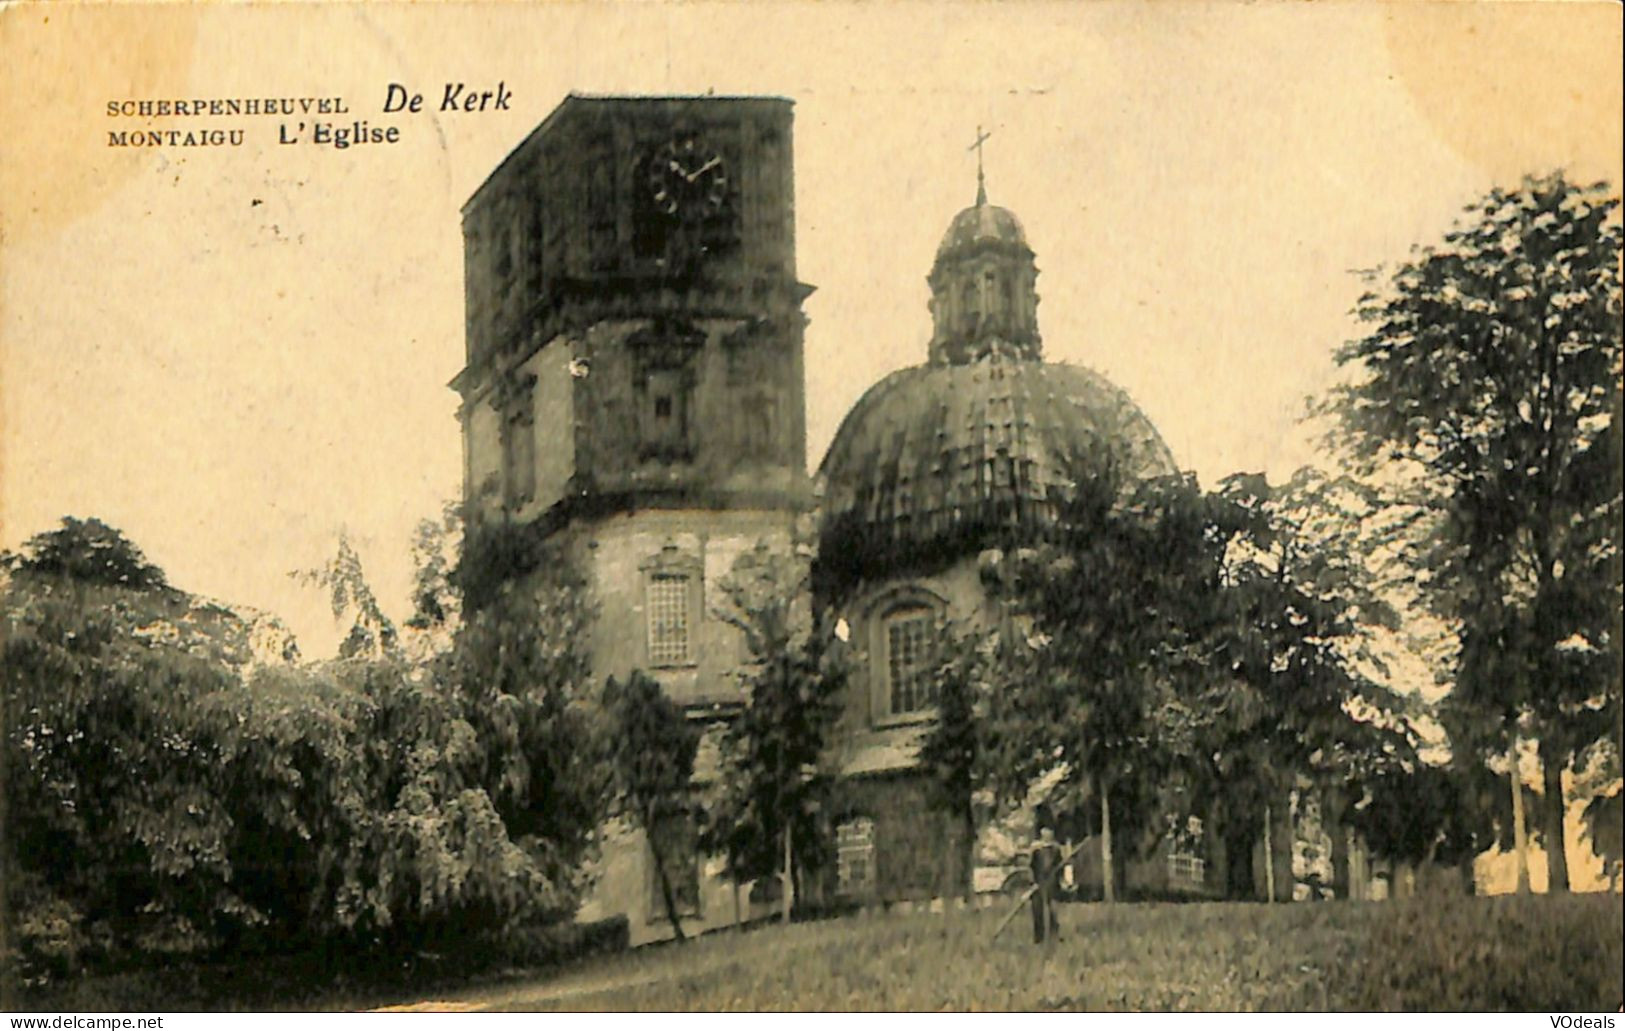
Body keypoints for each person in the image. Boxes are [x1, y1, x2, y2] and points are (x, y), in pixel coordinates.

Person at [1029, 826, 1062, 945]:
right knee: (1037, 909)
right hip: (1038, 882)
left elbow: (1059, 868)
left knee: (1053, 909)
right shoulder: (1036, 850)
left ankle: (1054, 934)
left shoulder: (1056, 850)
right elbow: (1031, 867)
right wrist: (1033, 882)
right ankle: (1039, 938)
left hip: (1051, 883)